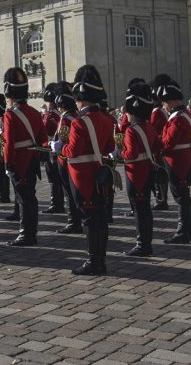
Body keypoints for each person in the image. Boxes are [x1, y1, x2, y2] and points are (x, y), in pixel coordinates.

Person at [55, 65, 116, 274]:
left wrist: (58, 147)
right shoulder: (107, 120)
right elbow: (109, 148)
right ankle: (101, 259)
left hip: (83, 177)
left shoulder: (80, 123)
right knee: (99, 219)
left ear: (81, 97)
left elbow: (72, 151)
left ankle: (93, 262)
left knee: (90, 219)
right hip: (100, 174)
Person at [2, 67, 46, 247]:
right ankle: (31, 232)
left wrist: (7, 163)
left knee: (23, 198)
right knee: (30, 197)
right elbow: (42, 138)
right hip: (32, 159)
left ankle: (26, 233)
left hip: (18, 161)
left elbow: (8, 143)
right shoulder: (35, 113)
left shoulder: (10, 115)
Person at [121, 82, 160, 256]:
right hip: (148, 169)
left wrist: (118, 153)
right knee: (145, 209)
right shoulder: (148, 127)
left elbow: (130, 154)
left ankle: (142, 244)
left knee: (139, 209)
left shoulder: (131, 130)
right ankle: (146, 243)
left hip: (136, 173)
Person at [156, 80, 191, 244]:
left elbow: (168, 143)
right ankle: (187, 230)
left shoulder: (177, 118)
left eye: (165, 102)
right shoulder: (183, 114)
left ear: (171, 101)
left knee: (181, 197)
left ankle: (183, 231)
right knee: (183, 196)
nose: (164, 106)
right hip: (182, 158)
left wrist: (154, 142)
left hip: (176, 161)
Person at [53, 83, 82, 234]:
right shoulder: (76, 116)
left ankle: (73, 221)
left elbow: (63, 142)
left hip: (65, 159)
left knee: (68, 192)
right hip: (72, 158)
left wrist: (54, 146)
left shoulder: (65, 119)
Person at [149, 74, 174, 211]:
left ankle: (161, 199)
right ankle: (161, 198)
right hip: (159, 145)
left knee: (159, 174)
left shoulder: (156, 113)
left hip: (157, 147)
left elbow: (153, 130)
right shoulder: (160, 111)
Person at [41, 84, 64, 215]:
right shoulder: (50, 114)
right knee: (53, 177)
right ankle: (55, 201)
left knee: (54, 177)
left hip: (52, 146)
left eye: (50, 103)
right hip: (48, 146)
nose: (48, 105)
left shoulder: (53, 115)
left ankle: (56, 203)